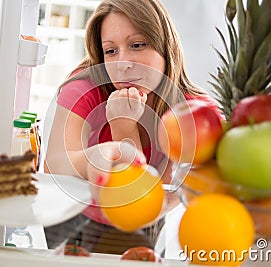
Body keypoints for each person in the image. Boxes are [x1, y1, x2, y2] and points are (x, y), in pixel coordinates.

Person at [43, 0, 222, 254]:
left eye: (137, 45)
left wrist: (123, 127)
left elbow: (140, 206)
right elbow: (54, 167)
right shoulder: (83, 88)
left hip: (147, 230)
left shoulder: (195, 115)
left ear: (164, 46)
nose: (122, 63)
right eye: (110, 51)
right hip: (74, 221)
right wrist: (94, 158)